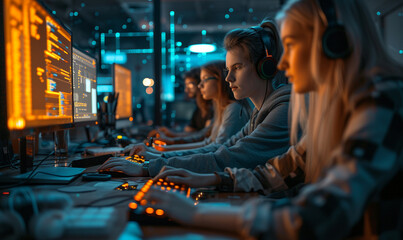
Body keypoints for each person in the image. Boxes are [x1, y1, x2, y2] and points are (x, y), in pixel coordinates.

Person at [142, 0, 403, 239]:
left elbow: (317, 217)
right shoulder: (338, 106)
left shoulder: (383, 103)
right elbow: (283, 170)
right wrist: (213, 179)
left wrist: (196, 213)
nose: (283, 62)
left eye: (290, 45)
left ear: (333, 42)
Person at [98, 19, 291, 177]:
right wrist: (155, 158)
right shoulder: (260, 114)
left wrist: (150, 166)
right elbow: (217, 150)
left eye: (237, 68)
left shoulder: (282, 111)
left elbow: (225, 158)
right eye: (228, 70)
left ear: (266, 67)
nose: (228, 78)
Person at [148, 68, 214, 140]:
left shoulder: (212, 109)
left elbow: (202, 136)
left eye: (190, 85)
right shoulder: (198, 109)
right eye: (186, 86)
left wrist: (171, 136)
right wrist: (169, 134)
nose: (186, 90)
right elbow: (191, 133)